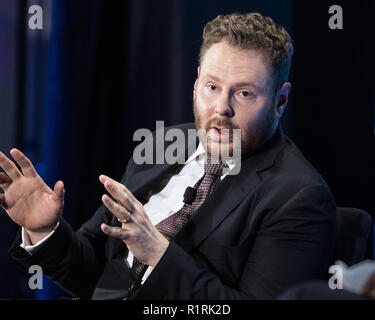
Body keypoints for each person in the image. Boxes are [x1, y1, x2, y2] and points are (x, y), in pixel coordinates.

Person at [0, 13, 337, 300]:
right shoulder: (161, 148)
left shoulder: (299, 197)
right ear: (195, 84)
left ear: (280, 101)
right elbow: (92, 273)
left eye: (245, 93)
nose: (223, 108)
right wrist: (44, 230)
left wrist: (158, 256)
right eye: (212, 87)